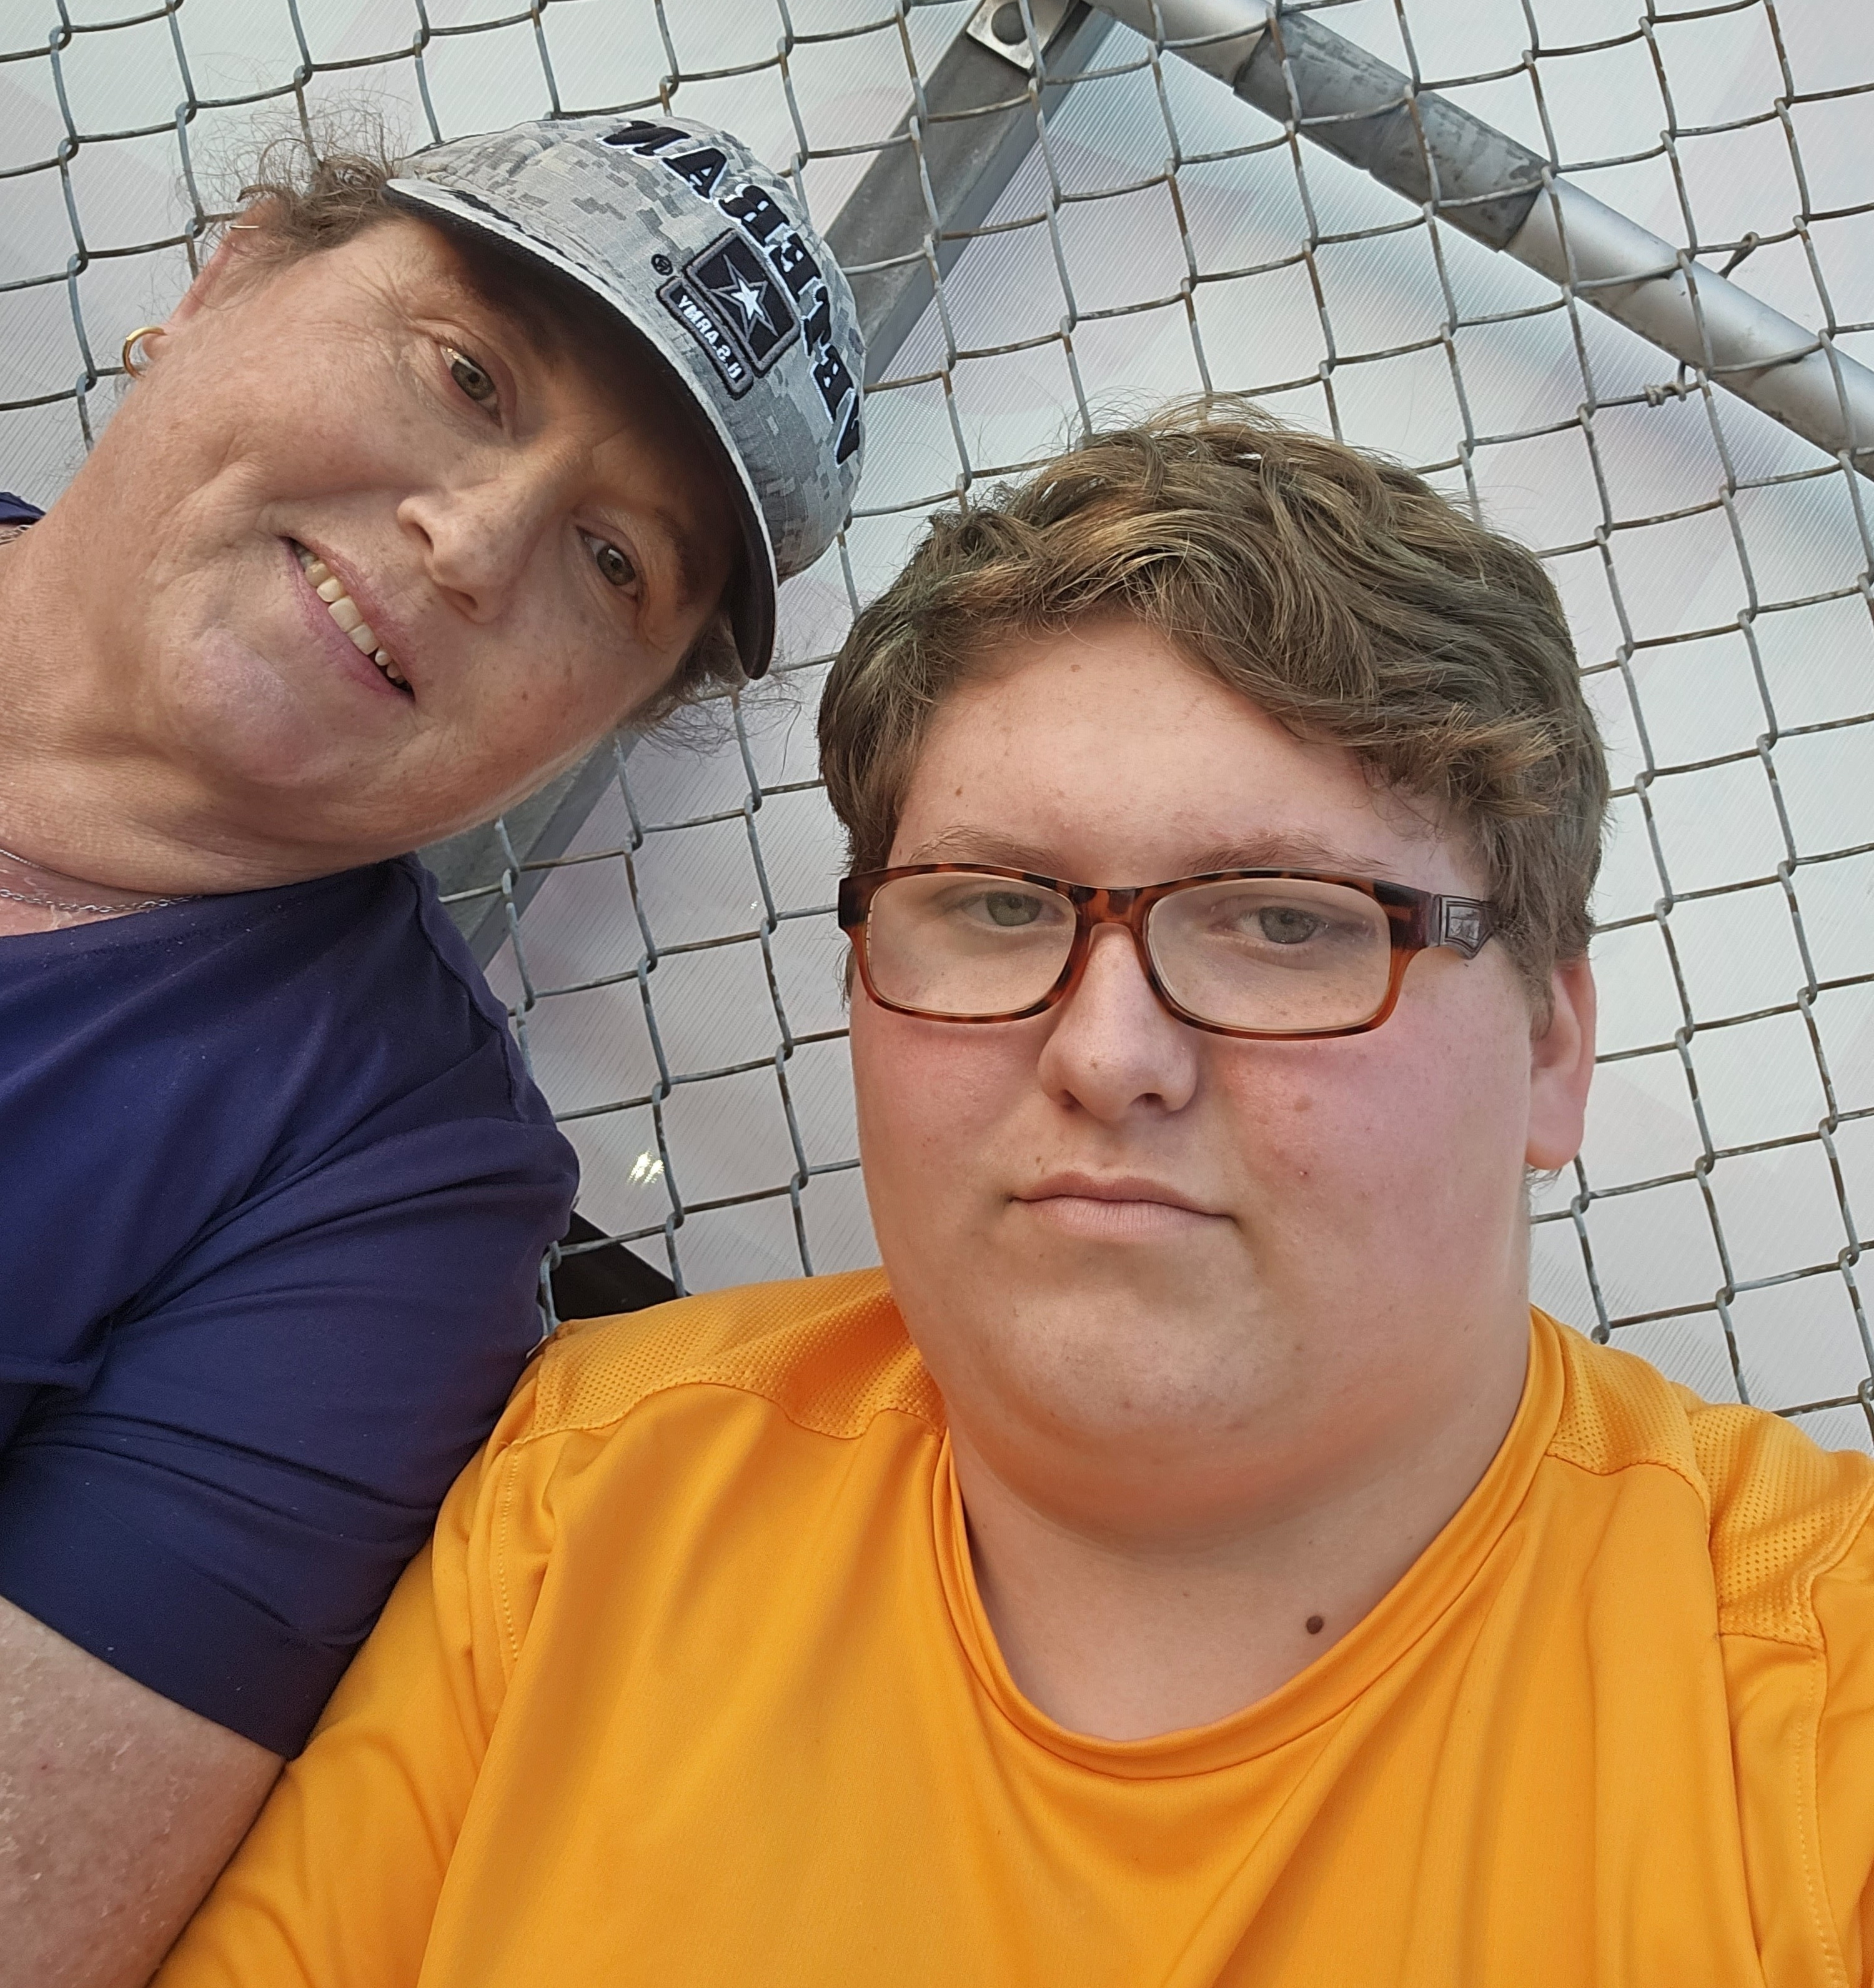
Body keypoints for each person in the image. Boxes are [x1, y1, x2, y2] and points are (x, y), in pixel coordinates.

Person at [157, 403, 1874, 1988]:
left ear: (1552, 1050)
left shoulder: (1808, 1704)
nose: (1108, 1051)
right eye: (995, 905)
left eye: (1286, 923)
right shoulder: (588, 1502)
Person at [0, 112, 865, 1988]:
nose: (471, 546)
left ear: (608, 717)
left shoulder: (397, 1205)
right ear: (228, 276)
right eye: (468, 373)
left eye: (614, 561)